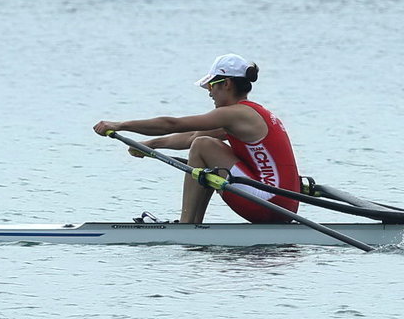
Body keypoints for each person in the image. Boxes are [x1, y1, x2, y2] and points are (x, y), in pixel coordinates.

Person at [93, 53, 300, 224]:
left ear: (226, 83)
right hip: (285, 205)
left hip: (268, 203)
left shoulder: (235, 113)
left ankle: (187, 225)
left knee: (203, 146)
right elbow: (191, 136)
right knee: (202, 143)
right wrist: (149, 146)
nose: (209, 94)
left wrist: (120, 125)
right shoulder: (251, 115)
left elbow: (173, 124)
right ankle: (192, 225)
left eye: (211, 87)